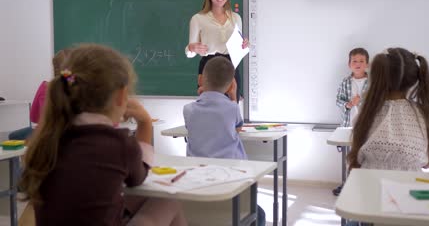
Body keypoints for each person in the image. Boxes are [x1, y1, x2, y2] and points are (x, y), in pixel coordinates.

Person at [19, 44, 187, 226]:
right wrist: (145, 123)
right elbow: (138, 178)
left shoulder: (47, 140)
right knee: (167, 201)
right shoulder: (119, 144)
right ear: (122, 96)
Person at [183, 56, 265, 226]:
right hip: (231, 179)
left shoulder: (188, 110)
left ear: (200, 80)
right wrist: (233, 96)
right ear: (230, 85)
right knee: (260, 214)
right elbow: (237, 127)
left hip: (197, 182)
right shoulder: (232, 107)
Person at [347, 47, 429, 172]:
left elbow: (357, 158)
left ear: (376, 77)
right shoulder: (424, 114)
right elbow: (427, 162)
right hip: (409, 186)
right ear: (414, 78)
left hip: (369, 183)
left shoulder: (366, 113)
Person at [185, 0, 249, 102]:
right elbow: (190, 52)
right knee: (209, 107)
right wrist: (191, 48)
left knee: (231, 106)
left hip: (230, 65)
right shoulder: (198, 18)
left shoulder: (236, 17)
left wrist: (244, 44)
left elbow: (239, 44)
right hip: (209, 66)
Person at [8, 48, 72, 141]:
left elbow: (36, 118)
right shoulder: (77, 88)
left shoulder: (46, 87)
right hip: (65, 132)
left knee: (13, 136)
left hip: (51, 133)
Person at [333, 47, 369, 196]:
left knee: (366, 157)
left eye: (361, 61)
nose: (358, 64)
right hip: (348, 126)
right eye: (354, 61)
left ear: (367, 64)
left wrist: (361, 102)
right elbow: (338, 101)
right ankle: (346, 183)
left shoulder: (372, 82)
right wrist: (348, 104)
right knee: (349, 157)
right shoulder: (346, 82)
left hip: (368, 127)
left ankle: (365, 184)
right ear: (349, 64)